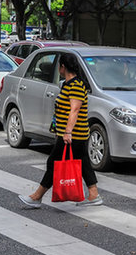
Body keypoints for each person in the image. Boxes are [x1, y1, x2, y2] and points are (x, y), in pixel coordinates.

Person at [18, 54, 102, 208]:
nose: (58, 69)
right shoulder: (68, 84)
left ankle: (36, 197)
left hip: (73, 134)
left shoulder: (76, 85)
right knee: (83, 162)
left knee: (53, 163)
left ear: (63, 67)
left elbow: (74, 110)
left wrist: (68, 132)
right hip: (73, 134)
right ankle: (94, 194)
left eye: (59, 66)